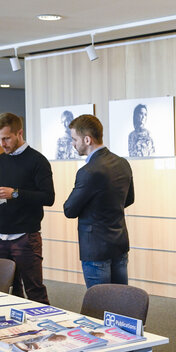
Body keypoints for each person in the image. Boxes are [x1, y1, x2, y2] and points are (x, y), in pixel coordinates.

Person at [0, 113, 54, 304]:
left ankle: (45, 330)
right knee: (7, 290)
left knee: (34, 290)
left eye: (6, 138)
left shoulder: (38, 161)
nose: (2, 143)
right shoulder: (0, 160)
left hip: (26, 237)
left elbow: (48, 198)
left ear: (19, 133)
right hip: (1, 235)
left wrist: (14, 193)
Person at [63, 115, 135, 287]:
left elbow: (69, 210)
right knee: (120, 304)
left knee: (100, 305)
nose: (73, 144)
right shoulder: (122, 163)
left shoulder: (88, 171)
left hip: (95, 249)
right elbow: (129, 199)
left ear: (87, 140)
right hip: (119, 243)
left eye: (74, 139)